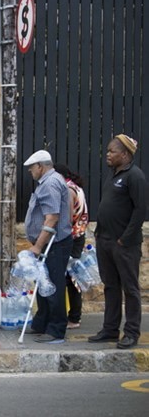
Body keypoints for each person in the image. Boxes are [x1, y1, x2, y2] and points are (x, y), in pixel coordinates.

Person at [88, 135, 146, 349]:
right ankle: (110, 329)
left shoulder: (135, 176)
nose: (108, 155)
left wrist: (125, 239)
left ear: (125, 154)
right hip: (105, 240)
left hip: (124, 244)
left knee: (130, 288)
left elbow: (140, 211)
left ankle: (131, 332)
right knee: (110, 286)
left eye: (112, 151)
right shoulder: (113, 176)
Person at [23, 150, 73, 344]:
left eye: (31, 168)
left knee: (52, 285)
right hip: (51, 243)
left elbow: (52, 218)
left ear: (40, 167)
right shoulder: (50, 181)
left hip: (55, 244)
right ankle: (41, 323)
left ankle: (56, 329)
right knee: (43, 284)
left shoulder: (51, 183)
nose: (30, 172)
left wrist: (37, 246)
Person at [54, 163, 89, 329]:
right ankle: (74, 316)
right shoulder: (76, 187)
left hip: (72, 237)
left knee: (70, 278)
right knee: (72, 277)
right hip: (79, 236)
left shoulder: (68, 190)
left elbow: (66, 218)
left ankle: (74, 318)